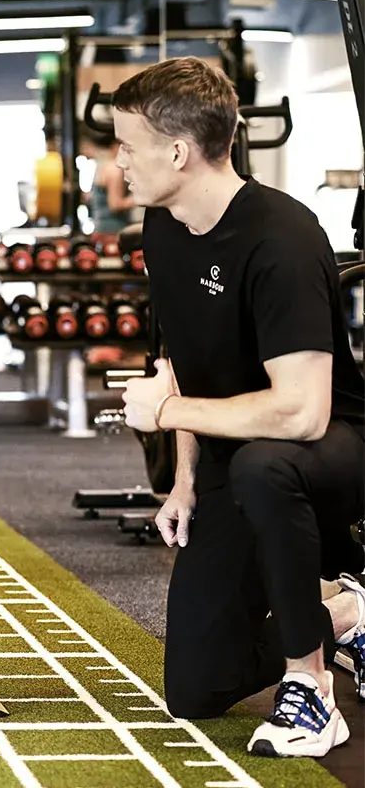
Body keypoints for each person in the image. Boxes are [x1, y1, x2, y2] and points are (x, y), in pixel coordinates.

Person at [114, 57, 365, 758]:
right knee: (196, 687)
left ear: (176, 151)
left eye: (126, 145)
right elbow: (185, 370)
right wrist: (185, 481)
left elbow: (302, 416)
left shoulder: (280, 240)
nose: (117, 161)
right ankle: (344, 613)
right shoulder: (160, 227)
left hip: (335, 451)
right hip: (240, 453)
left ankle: (310, 688)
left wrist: (165, 417)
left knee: (262, 466)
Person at [80, 127, 136, 234]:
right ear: (116, 147)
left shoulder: (103, 166)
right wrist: (139, 198)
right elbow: (115, 204)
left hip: (100, 229)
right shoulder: (114, 169)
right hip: (113, 230)